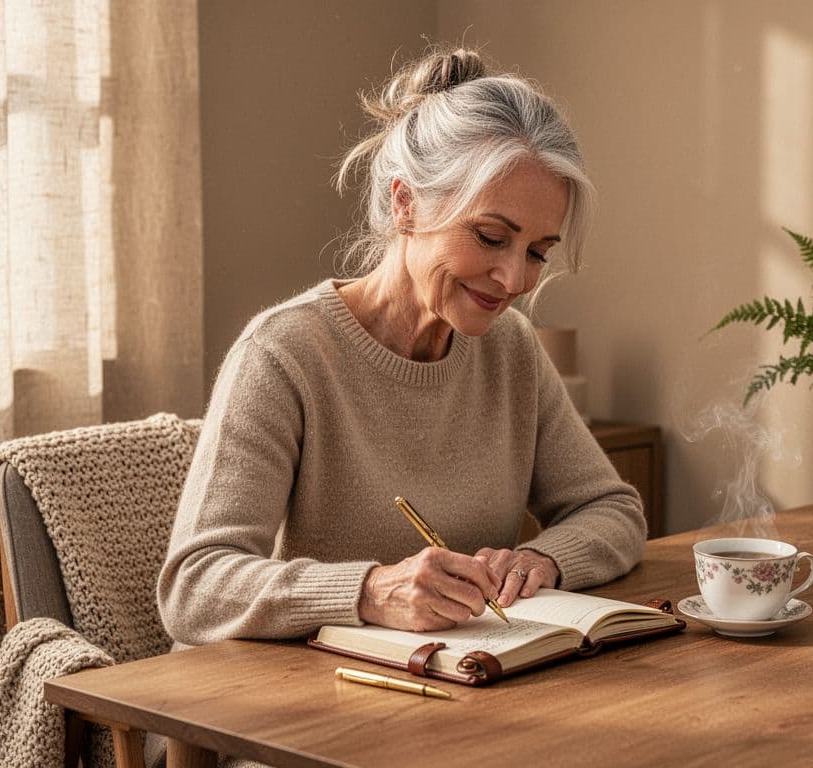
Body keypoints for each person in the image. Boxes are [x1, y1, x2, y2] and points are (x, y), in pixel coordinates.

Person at [157, 47, 646, 644]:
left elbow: (614, 511)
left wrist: (544, 560)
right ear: (405, 204)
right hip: (295, 707)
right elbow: (194, 587)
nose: (515, 280)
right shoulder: (283, 354)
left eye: (538, 251)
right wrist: (370, 592)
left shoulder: (510, 349)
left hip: (456, 689)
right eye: (491, 236)